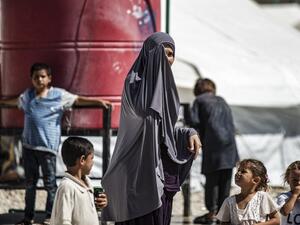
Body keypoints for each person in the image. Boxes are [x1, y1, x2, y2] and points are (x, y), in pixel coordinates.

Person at [101, 32, 201, 225]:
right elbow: (145, 120)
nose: (166, 58)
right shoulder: (135, 85)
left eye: (170, 54)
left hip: (160, 169)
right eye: (161, 52)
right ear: (149, 53)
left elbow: (164, 132)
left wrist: (189, 132)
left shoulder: (166, 89)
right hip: (137, 171)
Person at [0, 62, 110, 225]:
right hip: (29, 147)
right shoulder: (28, 96)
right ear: (31, 79)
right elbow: (15, 101)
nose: (39, 79)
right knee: (30, 184)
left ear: (49, 78)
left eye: (43, 76)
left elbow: (77, 100)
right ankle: (28, 217)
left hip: (47, 149)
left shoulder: (58, 95)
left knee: (50, 184)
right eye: (36, 77)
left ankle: (50, 217)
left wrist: (98, 102)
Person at [190, 78, 239, 224]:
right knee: (225, 179)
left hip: (213, 145)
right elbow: (231, 125)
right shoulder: (222, 100)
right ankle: (223, 214)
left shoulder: (199, 100)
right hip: (229, 146)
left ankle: (212, 213)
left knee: (212, 179)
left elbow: (194, 123)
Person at [50, 136, 108, 225]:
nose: (93, 162)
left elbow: (82, 212)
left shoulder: (87, 184)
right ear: (82, 160)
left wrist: (99, 205)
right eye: (91, 158)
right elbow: (63, 221)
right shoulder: (67, 187)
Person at [216, 159, 280, 225]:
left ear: (255, 180)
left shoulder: (262, 197)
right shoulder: (229, 202)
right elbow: (224, 223)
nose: (238, 173)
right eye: (238, 170)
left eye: (243, 171)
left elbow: (276, 220)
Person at [276, 161, 300, 225]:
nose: (298, 183)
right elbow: (284, 212)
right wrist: (295, 195)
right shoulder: (283, 197)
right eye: (295, 180)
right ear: (288, 180)